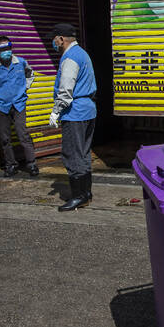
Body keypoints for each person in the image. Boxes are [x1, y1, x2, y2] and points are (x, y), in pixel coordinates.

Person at [48, 23, 97, 212]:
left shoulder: (70, 57)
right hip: (88, 110)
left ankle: (78, 196)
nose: (53, 42)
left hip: (75, 112)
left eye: (54, 38)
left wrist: (56, 111)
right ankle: (86, 194)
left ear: (61, 39)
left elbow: (66, 88)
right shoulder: (82, 54)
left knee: (72, 153)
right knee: (83, 152)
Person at [0, 36, 39, 177]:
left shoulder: (20, 62)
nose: (6, 51)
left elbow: (30, 74)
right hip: (2, 106)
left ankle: (31, 164)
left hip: (19, 104)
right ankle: (11, 165)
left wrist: (24, 88)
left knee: (22, 134)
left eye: (8, 48)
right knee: (5, 138)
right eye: (2, 49)